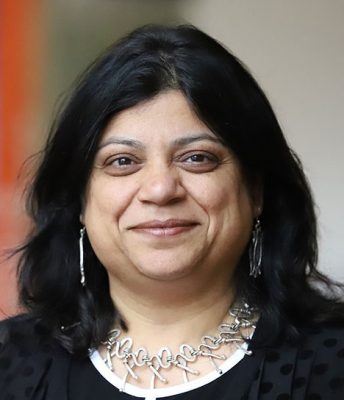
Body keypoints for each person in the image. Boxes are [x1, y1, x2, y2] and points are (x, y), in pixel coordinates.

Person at [0, 24, 343, 400]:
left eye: (197, 158)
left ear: (256, 190)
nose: (161, 189)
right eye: (123, 161)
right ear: (80, 200)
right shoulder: (11, 364)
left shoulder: (332, 362)